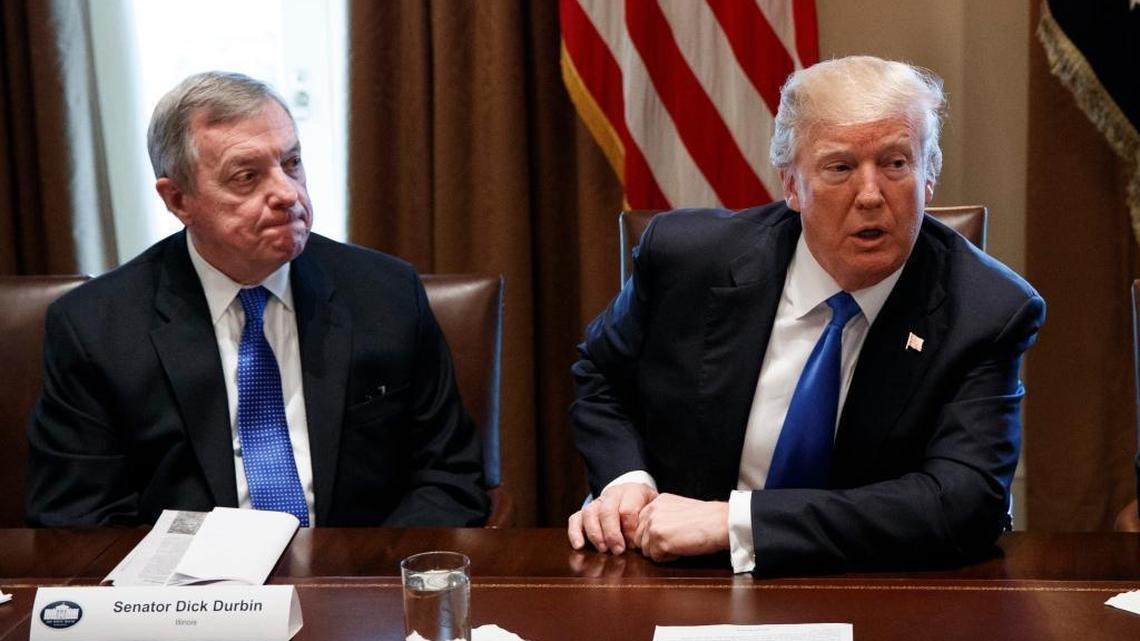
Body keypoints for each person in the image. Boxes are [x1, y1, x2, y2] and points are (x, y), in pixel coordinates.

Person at [567, 56, 1045, 575]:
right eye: (840, 167)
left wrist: (737, 523)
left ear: (929, 177)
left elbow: (964, 501)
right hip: (682, 575)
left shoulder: (988, 310)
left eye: (896, 163)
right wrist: (626, 480)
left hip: (881, 588)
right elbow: (601, 378)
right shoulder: (689, 260)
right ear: (792, 185)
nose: (870, 195)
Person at [26, 71, 488, 528]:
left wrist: (369, 585)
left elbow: (447, 476)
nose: (288, 194)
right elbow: (79, 520)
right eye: (247, 177)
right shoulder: (95, 327)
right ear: (178, 200)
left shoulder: (385, 294)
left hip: (358, 581)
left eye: (291, 163)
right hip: (182, 594)